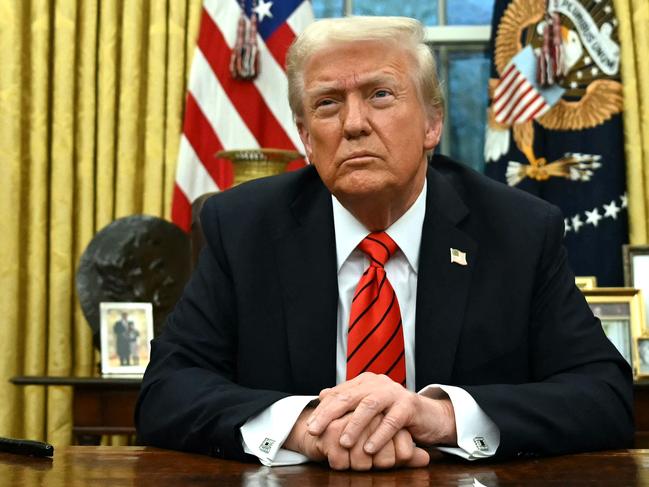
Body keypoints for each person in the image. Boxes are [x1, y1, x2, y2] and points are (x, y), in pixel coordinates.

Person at [135, 16, 633, 470]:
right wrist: (307, 427)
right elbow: (165, 391)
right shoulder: (243, 227)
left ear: (432, 124)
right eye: (328, 103)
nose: (353, 124)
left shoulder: (517, 230)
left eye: (380, 95)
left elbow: (604, 394)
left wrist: (437, 417)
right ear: (307, 139)